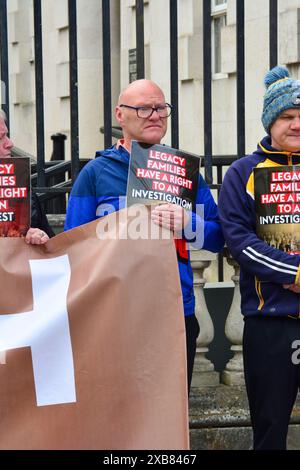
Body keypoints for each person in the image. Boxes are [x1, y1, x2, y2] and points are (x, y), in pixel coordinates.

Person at [65, 79, 224, 393]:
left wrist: (187, 222)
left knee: (171, 417)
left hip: (176, 313)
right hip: (115, 317)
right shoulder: (95, 174)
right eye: (144, 108)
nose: (155, 115)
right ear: (120, 115)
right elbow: (72, 249)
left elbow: (218, 237)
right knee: (121, 418)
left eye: (161, 107)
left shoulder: (185, 172)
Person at [218, 66, 300, 450]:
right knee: (270, 433)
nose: (296, 124)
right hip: (270, 324)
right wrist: (296, 272)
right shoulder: (242, 172)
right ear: (270, 121)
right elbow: (239, 241)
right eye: (287, 117)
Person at [0, 110, 53, 244]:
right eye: (1, 138)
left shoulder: (18, 183)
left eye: (6, 135)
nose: (9, 143)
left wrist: (39, 235)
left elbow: (50, 239)